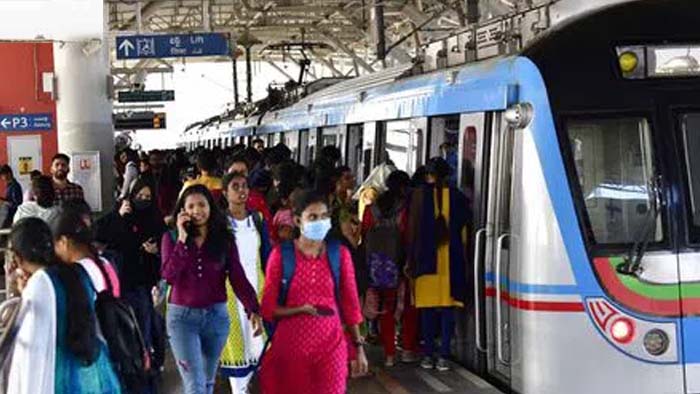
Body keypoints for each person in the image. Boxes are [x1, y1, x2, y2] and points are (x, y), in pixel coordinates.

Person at [259, 189, 367, 394]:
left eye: (324, 216)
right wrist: (300, 310)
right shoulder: (281, 256)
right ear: (298, 221)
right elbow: (268, 308)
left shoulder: (340, 254)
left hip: (331, 348)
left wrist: (358, 349)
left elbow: (351, 305)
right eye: (313, 217)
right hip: (290, 351)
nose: (320, 222)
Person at [161, 184, 262, 394]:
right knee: (195, 385)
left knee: (207, 382)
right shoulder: (170, 238)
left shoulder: (224, 239)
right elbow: (169, 276)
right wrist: (182, 239)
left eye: (202, 205)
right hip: (182, 320)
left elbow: (237, 276)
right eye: (190, 206)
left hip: (216, 317)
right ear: (182, 211)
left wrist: (253, 308)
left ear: (211, 207)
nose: (197, 210)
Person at [6, 218, 122, 394]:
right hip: (94, 373)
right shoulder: (75, 272)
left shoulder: (40, 284)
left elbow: (30, 353)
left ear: (16, 257)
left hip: (62, 379)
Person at [95, 177, 166, 391]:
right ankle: (128, 374)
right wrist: (119, 217)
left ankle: (144, 373)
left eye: (147, 197)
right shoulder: (118, 217)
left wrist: (155, 252)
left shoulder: (155, 219)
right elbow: (102, 236)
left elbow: (167, 248)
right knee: (121, 332)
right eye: (139, 196)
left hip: (143, 284)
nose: (143, 200)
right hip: (119, 285)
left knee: (143, 330)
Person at [407, 157, 470, 372]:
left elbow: (411, 231)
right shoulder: (459, 197)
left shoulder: (417, 197)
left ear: (428, 175)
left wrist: (409, 259)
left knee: (427, 312)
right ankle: (444, 356)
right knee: (447, 312)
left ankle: (427, 356)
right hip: (450, 264)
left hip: (426, 262)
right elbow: (464, 233)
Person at [220, 172, 271, 393]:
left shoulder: (257, 220)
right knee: (236, 344)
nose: (242, 191)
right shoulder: (220, 224)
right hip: (230, 293)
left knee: (258, 343)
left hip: (257, 289)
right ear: (225, 193)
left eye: (244, 186)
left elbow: (267, 255)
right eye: (235, 187)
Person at [361, 170, 419, 366]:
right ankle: (407, 350)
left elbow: (364, 235)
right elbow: (409, 238)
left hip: (376, 266)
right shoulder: (406, 210)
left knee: (384, 308)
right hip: (400, 266)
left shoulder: (371, 210)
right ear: (404, 188)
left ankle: (389, 355)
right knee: (407, 308)